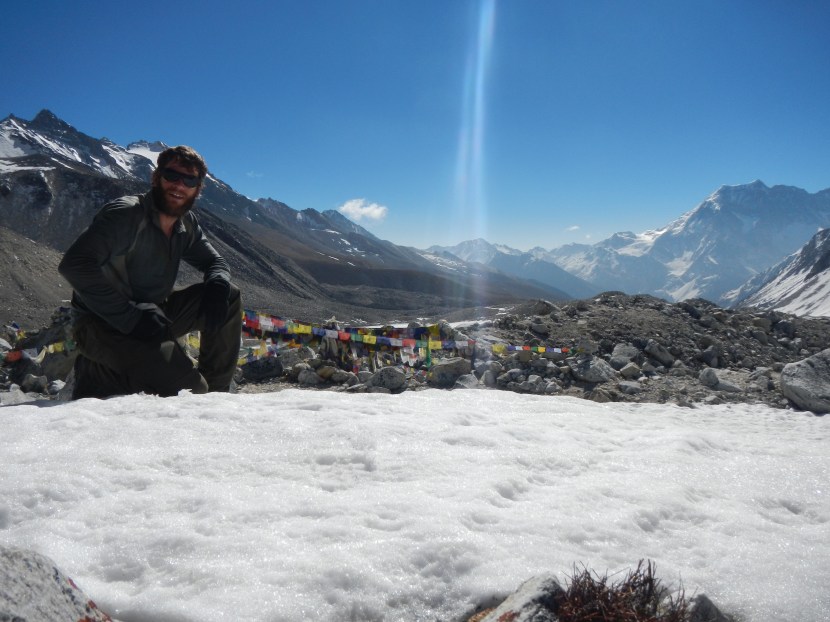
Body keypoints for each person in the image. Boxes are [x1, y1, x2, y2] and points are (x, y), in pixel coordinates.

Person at [59, 145, 242, 398]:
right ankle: (99, 371)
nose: (179, 185)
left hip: (153, 316)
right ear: (156, 177)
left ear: (198, 189)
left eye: (189, 180)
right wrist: (132, 319)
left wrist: (217, 283)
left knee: (228, 296)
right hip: (101, 323)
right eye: (171, 175)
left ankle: (215, 397)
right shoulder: (127, 214)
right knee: (191, 390)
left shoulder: (185, 223)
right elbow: (75, 264)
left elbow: (215, 262)